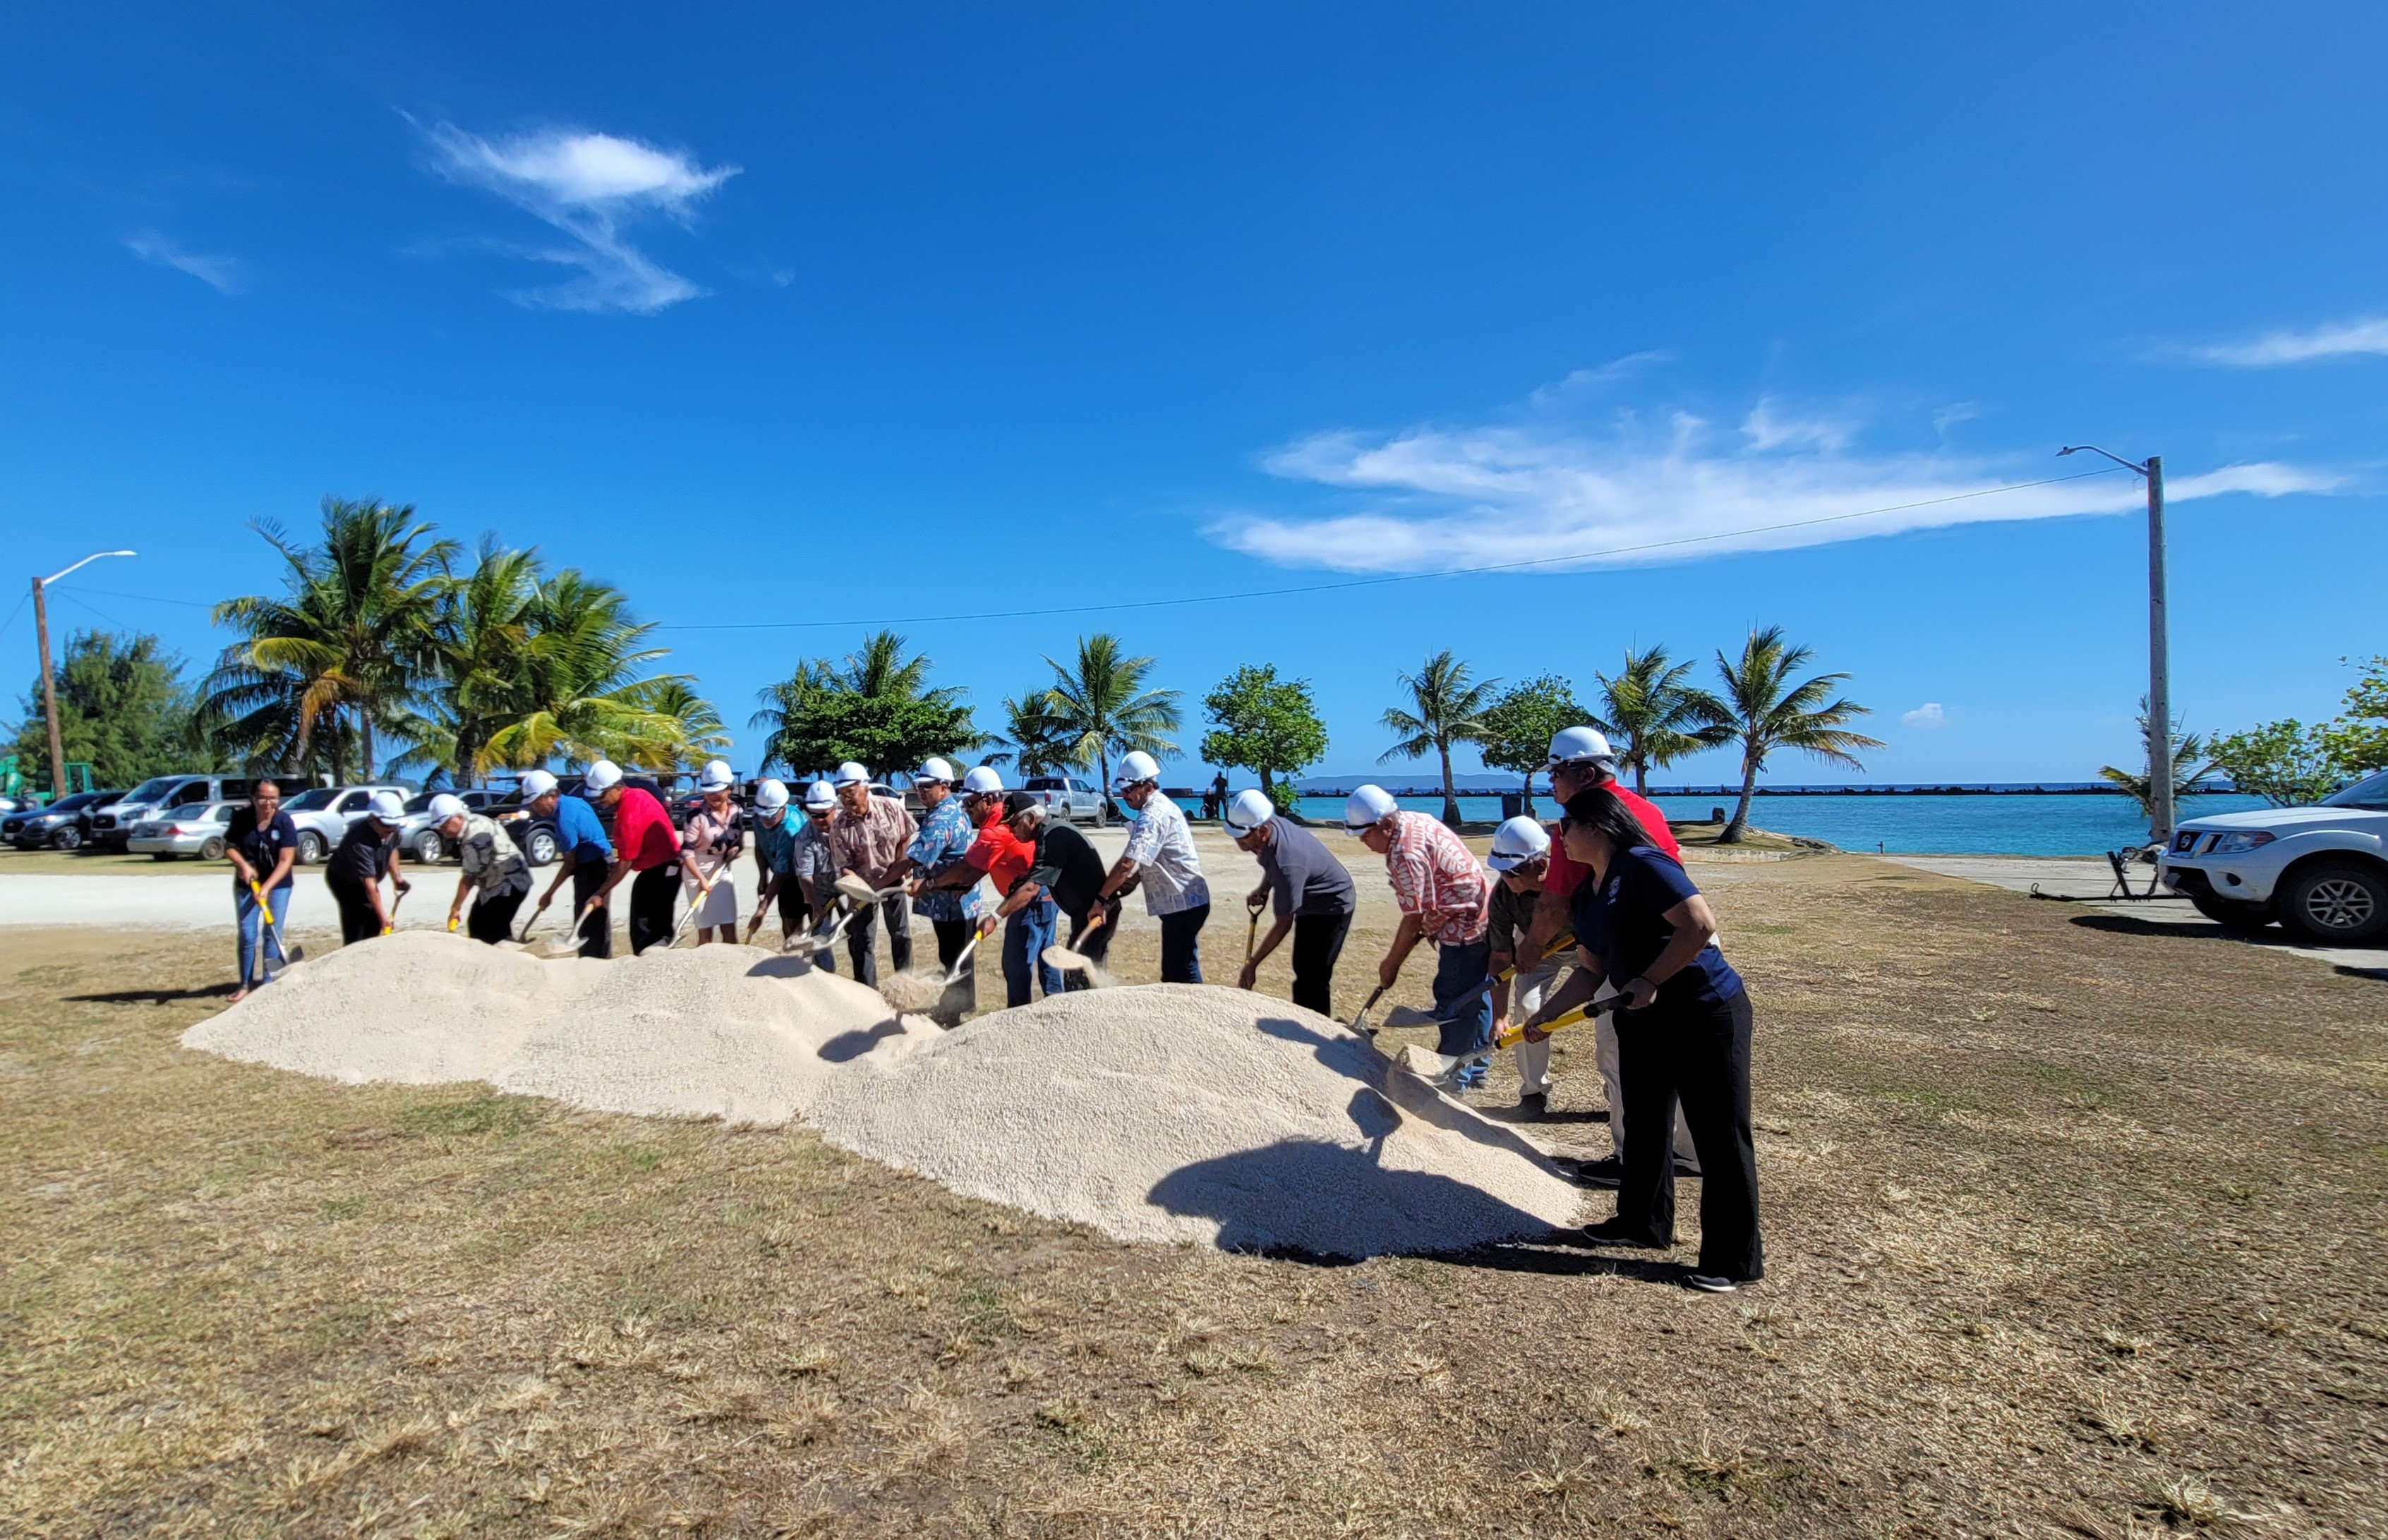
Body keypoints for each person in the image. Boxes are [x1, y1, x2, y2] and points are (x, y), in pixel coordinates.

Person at [1520, 786, 1762, 1292]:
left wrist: (1650, 979)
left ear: (1599, 826)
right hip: (1641, 1017)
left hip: (1704, 1010)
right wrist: (1545, 1014)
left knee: (1720, 1133)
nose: (1559, 836)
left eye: (1568, 825)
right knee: (1644, 1122)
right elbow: (1591, 971)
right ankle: (1642, 1223)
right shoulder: (1587, 893)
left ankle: (1731, 1259)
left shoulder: (1644, 863)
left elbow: (1698, 924)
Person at [1527, 727, 1696, 1172]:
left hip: (1641, 956)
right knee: (1676, 1055)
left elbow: (1552, 903)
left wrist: (1531, 949)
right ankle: (1688, 1154)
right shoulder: (1645, 808)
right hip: (1669, 948)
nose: (1552, 784)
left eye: (1557, 773)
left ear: (1583, 773)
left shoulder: (1581, 826)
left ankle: (1632, 1159)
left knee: (1620, 1055)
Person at [1346, 783, 1492, 1088]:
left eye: (1366, 835)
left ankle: (1455, 1076)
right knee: (1477, 994)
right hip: (1481, 909)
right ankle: (1476, 1069)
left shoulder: (1404, 854)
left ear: (1385, 825)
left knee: (1455, 1000)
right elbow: (1422, 910)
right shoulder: (1415, 819)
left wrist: (1392, 964)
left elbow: (1413, 918)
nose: (1364, 843)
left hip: (1464, 921)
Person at [929, 770, 1056, 1005]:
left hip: (1029, 898)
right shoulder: (1000, 819)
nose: (966, 808)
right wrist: (967, 883)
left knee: (1016, 963)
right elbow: (985, 863)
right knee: (1047, 956)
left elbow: (966, 867)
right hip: (1042, 892)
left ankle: (1018, 1017)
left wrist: (931, 883)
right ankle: (1059, 1010)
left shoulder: (994, 830)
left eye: (970, 802)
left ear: (987, 800)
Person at [1225, 788, 1356, 1016]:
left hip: (1332, 903)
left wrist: (1253, 964)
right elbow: (1272, 864)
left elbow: (1284, 923)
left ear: (1263, 831)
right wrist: (1264, 888)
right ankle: (1304, 1020)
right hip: (1310, 898)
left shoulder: (1288, 863)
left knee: (1313, 976)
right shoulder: (1269, 826)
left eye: (1243, 837)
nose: (1239, 843)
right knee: (1303, 969)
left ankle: (1316, 1029)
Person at [1097, 751, 1210, 983]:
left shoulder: (1153, 816)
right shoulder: (1153, 809)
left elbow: (1127, 863)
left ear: (1148, 786)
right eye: (1122, 789)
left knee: (1183, 970)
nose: (1124, 795)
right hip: (1180, 902)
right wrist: (1136, 880)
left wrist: (1101, 899)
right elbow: (1155, 855)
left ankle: (1195, 1013)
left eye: (1129, 790)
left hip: (1185, 902)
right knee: (1173, 971)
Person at [882, 758, 982, 1021]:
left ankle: (953, 1009)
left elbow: (911, 858)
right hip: (949, 898)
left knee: (954, 955)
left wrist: (881, 882)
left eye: (927, 787)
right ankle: (959, 1003)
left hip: (953, 899)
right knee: (956, 954)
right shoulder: (950, 809)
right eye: (919, 786)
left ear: (944, 787)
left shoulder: (942, 818)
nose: (921, 792)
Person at [1484, 816, 1564, 1116]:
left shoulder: (1573, 881)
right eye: (1501, 871)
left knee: (1610, 1023)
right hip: (1540, 953)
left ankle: (1617, 1091)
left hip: (1590, 948)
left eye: (1513, 872)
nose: (1505, 879)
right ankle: (1533, 1091)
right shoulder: (1504, 896)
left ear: (1541, 866)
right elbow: (1500, 958)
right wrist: (1499, 1016)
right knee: (1529, 1011)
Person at [1008, 796, 1116, 990]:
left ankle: (1091, 1015)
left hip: (1096, 911)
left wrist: (995, 916)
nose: (1011, 831)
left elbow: (1032, 888)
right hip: (1087, 911)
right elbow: (1043, 872)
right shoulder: (1048, 834)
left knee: (1080, 980)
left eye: (1014, 824)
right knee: (1076, 974)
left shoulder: (1054, 837)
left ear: (1031, 818)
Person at [826, 760, 917, 984]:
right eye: (842, 794)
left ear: (866, 788)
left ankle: (905, 984)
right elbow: (844, 866)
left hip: (893, 879)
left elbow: (906, 837)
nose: (847, 799)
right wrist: (859, 888)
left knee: (901, 934)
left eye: (851, 792)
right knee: (863, 939)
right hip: (862, 888)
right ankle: (867, 990)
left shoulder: (891, 808)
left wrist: (900, 863)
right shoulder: (839, 828)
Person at [580, 759, 683, 955]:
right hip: (663, 866)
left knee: (646, 923)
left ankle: (651, 960)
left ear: (617, 788)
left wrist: (600, 893)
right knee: (650, 917)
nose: (599, 801)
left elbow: (625, 863)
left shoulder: (630, 811)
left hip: (663, 868)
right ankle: (654, 952)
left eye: (601, 795)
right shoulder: (637, 795)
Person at [224, 776, 298, 1000]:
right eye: (263, 798)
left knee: (272, 932)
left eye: (273, 799)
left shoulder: (285, 822)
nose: (268, 804)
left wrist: (266, 888)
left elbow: (286, 861)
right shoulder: (241, 818)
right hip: (248, 884)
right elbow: (228, 847)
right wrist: (243, 866)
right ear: (253, 798)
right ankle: (245, 984)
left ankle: (268, 983)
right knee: (248, 934)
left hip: (278, 884)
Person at [524, 768, 613, 957]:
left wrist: (549, 893)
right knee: (589, 914)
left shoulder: (565, 818)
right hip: (597, 863)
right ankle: (594, 956)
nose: (535, 807)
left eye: (536, 802)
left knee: (591, 918)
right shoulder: (574, 802)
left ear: (550, 796)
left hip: (596, 867)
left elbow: (569, 865)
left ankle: (595, 961)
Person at [433, 792, 532, 944]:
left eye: (445, 825)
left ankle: (505, 959)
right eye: (440, 828)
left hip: (509, 883)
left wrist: (455, 908)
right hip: (499, 883)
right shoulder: (477, 821)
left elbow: (469, 878)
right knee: (477, 924)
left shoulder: (474, 836)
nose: (443, 830)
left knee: (490, 931)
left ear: (458, 817)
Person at [327, 791, 409, 945]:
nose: (388, 833)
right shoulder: (360, 842)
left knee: (373, 922)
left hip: (365, 879)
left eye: (391, 829)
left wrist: (396, 876)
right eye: (385, 828)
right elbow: (370, 887)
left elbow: (391, 849)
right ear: (372, 819)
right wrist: (384, 918)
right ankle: (352, 956)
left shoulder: (392, 828)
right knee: (358, 921)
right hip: (344, 880)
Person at [679, 759, 744, 945]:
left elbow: (738, 841)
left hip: (721, 869)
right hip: (697, 870)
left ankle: (732, 968)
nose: (713, 796)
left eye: (718, 791)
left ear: (729, 789)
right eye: (709, 791)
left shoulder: (736, 811)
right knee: (705, 931)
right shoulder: (696, 816)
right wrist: (701, 879)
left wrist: (735, 850)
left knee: (729, 926)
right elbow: (687, 853)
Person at [745, 779, 809, 945]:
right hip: (782, 874)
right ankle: (792, 953)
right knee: (787, 922)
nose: (766, 819)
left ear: (784, 807)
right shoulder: (758, 819)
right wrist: (762, 877)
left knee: (803, 924)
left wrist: (762, 909)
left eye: (771, 815)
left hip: (804, 876)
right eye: (763, 815)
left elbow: (781, 874)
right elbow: (760, 846)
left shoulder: (791, 829)